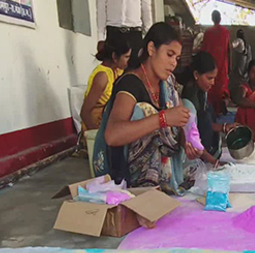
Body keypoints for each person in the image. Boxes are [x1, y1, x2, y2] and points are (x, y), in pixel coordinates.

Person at [92, 22, 203, 195]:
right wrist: (162, 119)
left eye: (177, 58)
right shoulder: (130, 84)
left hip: (163, 166)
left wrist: (186, 141)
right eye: (169, 54)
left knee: (187, 106)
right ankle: (144, 186)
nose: (173, 63)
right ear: (151, 49)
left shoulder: (167, 83)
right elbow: (112, 135)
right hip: (125, 170)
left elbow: (180, 118)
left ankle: (165, 180)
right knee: (144, 111)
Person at [181, 52, 240, 165]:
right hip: (194, 157)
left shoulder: (202, 93)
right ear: (196, 74)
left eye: (214, 78)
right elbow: (192, 136)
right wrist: (214, 161)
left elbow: (206, 123)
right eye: (209, 78)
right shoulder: (189, 100)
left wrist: (224, 127)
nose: (212, 83)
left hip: (205, 153)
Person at [81, 37, 132, 131]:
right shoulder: (102, 77)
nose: (128, 61)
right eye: (126, 57)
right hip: (95, 127)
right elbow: (85, 112)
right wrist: (97, 136)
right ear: (114, 57)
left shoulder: (116, 70)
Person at [97, 0, 153, 68]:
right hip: (114, 33)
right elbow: (101, 7)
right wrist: (101, 37)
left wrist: (149, 36)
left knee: (135, 68)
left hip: (134, 34)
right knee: (111, 70)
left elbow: (146, 7)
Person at [201, 11, 230, 116]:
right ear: (220, 18)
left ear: (212, 19)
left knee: (210, 87)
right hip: (223, 63)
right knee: (221, 86)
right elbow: (228, 50)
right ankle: (220, 107)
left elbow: (204, 49)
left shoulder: (208, 32)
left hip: (211, 63)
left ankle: (211, 110)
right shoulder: (226, 32)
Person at [229, 29, 253, 105]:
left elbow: (231, 46)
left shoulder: (238, 41)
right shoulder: (247, 45)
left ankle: (236, 99)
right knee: (243, 83)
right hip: (246, 64)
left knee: (236, 82)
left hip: (239, 64)